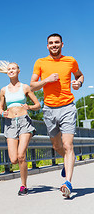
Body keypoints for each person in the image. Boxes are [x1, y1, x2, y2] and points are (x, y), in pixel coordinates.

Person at [30, 33, 84, 198]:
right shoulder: (40, 62)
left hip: (68, 107)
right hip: (49, 109)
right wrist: (46, 80)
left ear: (62, 44)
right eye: (51, 43)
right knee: (56, 146)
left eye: (57, 42)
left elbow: (79, 75)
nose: (54, 45)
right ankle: (67, 163)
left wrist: (79, 83)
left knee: (68, 145)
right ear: (47, 46)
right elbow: (32, 86)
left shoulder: (70, 61)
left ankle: (67, 183)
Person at [0, 61, 41, 195]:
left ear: (18, 71)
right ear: (7, 72)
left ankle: (23, 185)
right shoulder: (3, 90)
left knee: (21, 156)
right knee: (13, 159)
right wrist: (3, 113)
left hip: (24, 121)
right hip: (10, 124)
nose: (11, 71)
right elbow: (0, 109)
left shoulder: (25, 87)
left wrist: (29, 107)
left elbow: (38, 104)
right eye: (9, 69)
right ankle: (23, 174)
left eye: (14, 68)